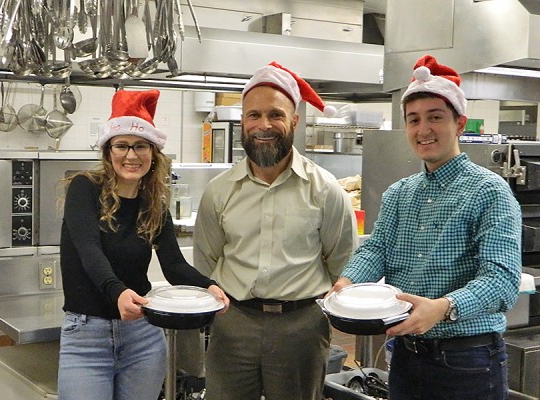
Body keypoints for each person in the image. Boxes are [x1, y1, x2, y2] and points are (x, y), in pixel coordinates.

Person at [332, 55, 522, 400]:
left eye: (435, 117)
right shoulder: (399, 194)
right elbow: (377, 250)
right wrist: (346, 283)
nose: (423, 130)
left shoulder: (489, 191)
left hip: (468, 359)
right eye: (413, 120)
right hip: (406, 354)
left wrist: (444, 307)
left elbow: (502, 280)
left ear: (460, 124)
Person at [193, 61, 358, 400]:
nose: (263, 125)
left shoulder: (325, 190)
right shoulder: (219, 191)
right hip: (232, 324)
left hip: (301, 327)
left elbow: (342, 263)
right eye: (253, 115)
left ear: (294, 121)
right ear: (243, 121)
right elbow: (205, 265)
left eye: (276, 115)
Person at [57, 89, 228, 400]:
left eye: (140, 146)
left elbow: (174, 265)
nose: (131, 156)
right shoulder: (84, 188)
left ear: (154, 153)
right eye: (121, 146)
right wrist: (117, 291)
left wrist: (210, 286)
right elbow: (89, 252)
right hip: (87, 337)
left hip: (142, 338)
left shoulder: (154, 203)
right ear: (108, 152)